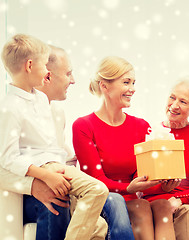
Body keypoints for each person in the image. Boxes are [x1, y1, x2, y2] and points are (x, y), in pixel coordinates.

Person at [0, 34, 108, 240]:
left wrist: (59, 166)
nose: (47, 72)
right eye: (44, 66)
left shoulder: (41, 100)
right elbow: (7, 158)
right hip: (40, 174)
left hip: (56, 167)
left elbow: (51, 145)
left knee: (98, 224)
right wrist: (44, 176)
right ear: (30, 65)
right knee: (92, 192)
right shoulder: (9, 108)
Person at [72, 56, 176, 240]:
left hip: (131, 197)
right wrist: (128, 188)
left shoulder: (141, 126)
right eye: (126, 82)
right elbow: (96, 181)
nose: (132, 89)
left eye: (133, 82)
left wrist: (163, 185)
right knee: (141, 206)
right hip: (104, 198)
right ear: (105, 86)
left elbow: (142, 180)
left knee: (159, 205)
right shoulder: (84, 126)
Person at [141, 77, 189, 240]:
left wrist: (178, 199)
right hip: (157, 200)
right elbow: (142, 185)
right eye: (172, 97)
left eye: (183, 102)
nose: (174, 105)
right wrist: (167, 192)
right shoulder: (150, 133)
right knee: (188, 213)